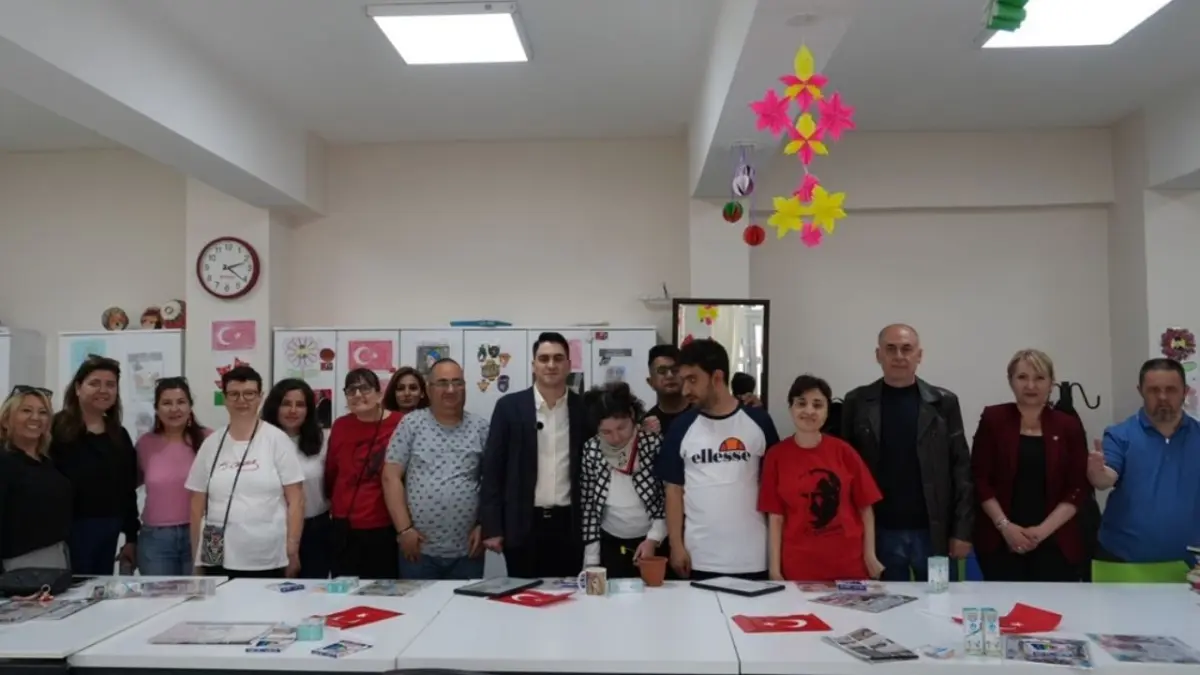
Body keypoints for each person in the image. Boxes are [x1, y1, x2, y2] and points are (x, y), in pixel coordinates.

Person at [841, 324, 973, 582]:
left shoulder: (943, 403)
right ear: (878, 355)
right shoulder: (857, 402)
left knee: (940, 602)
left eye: (906, 349)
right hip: (879, 531)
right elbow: (845, 472)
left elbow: (962, 470)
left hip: (933, 531)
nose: (899, 356)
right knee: (885, 604)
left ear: (919, 355)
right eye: (891, 349)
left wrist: (962, 531)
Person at [656, 339, 779, 580]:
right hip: (698, 558)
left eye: (693, 380)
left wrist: (776, 556)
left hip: (753, 558)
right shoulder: (681, 427)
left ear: (717, 377)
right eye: (684, 381)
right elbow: (673, 490)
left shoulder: (759, 422)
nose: (685, 390)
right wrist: (676, 545)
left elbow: (773, 490)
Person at [972, 350, 1088, 582]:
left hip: (1056, 540)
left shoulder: (1068, 425)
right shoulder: (994, 419)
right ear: (1011, 381)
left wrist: (1041, 532)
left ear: (1051, 383)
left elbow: (1077, 487)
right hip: (1001, 540)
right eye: (1022, 377)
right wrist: (1006, 527)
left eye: (1040, 378)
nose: (1031, 385)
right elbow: (979, 479)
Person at [482, 332, 588, 578]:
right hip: (522, 525)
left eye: (558, 358)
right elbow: (493, 470)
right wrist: (492, 527)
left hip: (570, 525)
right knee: (523, 595)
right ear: (533, 365)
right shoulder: (509, 407)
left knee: (567, 595)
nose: (551, 365)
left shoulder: (584, 408)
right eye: (544, 358)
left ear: (569, 365)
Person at [760, 374, 883, 582]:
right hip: (798, 569)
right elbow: (775, 517)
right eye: (801, 403)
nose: (809, 411)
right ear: (791, 408)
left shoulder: (844, 451)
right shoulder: (776, 456)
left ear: (827, 411)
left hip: (849, 567)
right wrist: (774, 569)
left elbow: (865, 507)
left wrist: (870, 555)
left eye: (817, 405)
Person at [185, 366, 305, 579]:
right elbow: (197, 503)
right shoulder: (211, 443)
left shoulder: (276, 440)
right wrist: (197, 557)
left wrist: (292, 549)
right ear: (225, 398)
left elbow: (296, 500)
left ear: (260, 397)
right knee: (219, 600)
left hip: (266, 552)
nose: (242, 400)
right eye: (234, 394)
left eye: (249, 393)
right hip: (215, 548)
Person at [383, 358, 489, 579]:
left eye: (457, 382)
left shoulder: (480, 428)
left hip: (468, 552)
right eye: (442, 383)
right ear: (429, 389)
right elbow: (390, 478)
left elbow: (493, 483)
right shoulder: (411, 425)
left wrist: (484, 525)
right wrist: (404, 530)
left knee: (467, 603)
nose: (451, 389)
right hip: (418, 551)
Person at [1090, 358, 1200, 566]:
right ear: (1140, 391)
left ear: (1185, 391)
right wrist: (1098, 474)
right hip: (1122, 561)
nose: (1162, 397)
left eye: (1171, 389)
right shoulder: (1119, 435)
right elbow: (1106, 477)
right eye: (1153, 390)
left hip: (1190, 567)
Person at [50, 355, 139, 575]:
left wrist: (131, 536)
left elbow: (128, 488)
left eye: (110, 385)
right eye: (94, 383)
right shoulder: (55, 429)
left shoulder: (118, 434)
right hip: (66, 531)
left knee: (99, 589)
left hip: (109, 528)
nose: (103, 390)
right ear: (78, 388)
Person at [579, 382, 666, 578]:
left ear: (632, 416)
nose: (616, 437)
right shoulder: (592, 449)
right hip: (610, 541)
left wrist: (654, 538)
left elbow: (667, 498)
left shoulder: (651, 442)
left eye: (622, 428)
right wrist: (591, 560)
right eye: (606, 432)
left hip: (652, 539)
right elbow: (589, 506)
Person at [326, 368, 403, 579]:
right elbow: (332, 473)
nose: (358, 395)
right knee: (344, 590)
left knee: (384, 589)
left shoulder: (400, 423)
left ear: (379, 393)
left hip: (385, 524)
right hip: (344, 525)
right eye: (351, 390)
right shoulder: (341, 426)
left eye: (365, 388)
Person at [136, 378, 210, 575]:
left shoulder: (210, 440)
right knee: (158, 595)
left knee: (205, 592)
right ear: (156, 408)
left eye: (181, 402)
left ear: (190, 406)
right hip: (156, 539)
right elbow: (126, 488)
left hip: (204, 533)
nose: (174, 409)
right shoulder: (145, 444)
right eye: (167, 403)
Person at [262, 379, 330, 579]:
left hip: (315, 530)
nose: (293, 410)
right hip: (273, 530)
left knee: (313, 592)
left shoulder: (324, 440)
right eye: (286, 404)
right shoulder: (260, 441)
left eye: (300, 405)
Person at [0, 386, 72, 571]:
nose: (35, 417)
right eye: (26, 410)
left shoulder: (47, 462)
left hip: (57, 555)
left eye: (43, 412)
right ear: (6, 420)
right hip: (19, 564)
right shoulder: (4, 462)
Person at [643, 345, 688, 434]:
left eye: (675, 369)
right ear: (651, 382)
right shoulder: (648, 425)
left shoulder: (702, 414)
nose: (670, 375)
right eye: (662, 371)